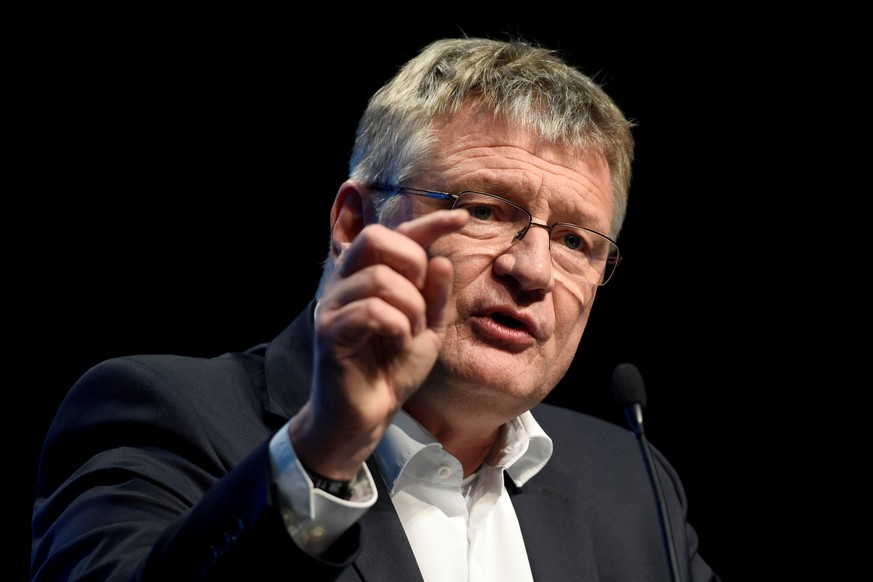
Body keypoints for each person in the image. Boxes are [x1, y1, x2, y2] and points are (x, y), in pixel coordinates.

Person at [31, 36, 719, 581]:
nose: (532, 269)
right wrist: (325, 446)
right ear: (353, 224)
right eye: (483, 210)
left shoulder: (630, 483)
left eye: (574, 240)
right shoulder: (162, 414)